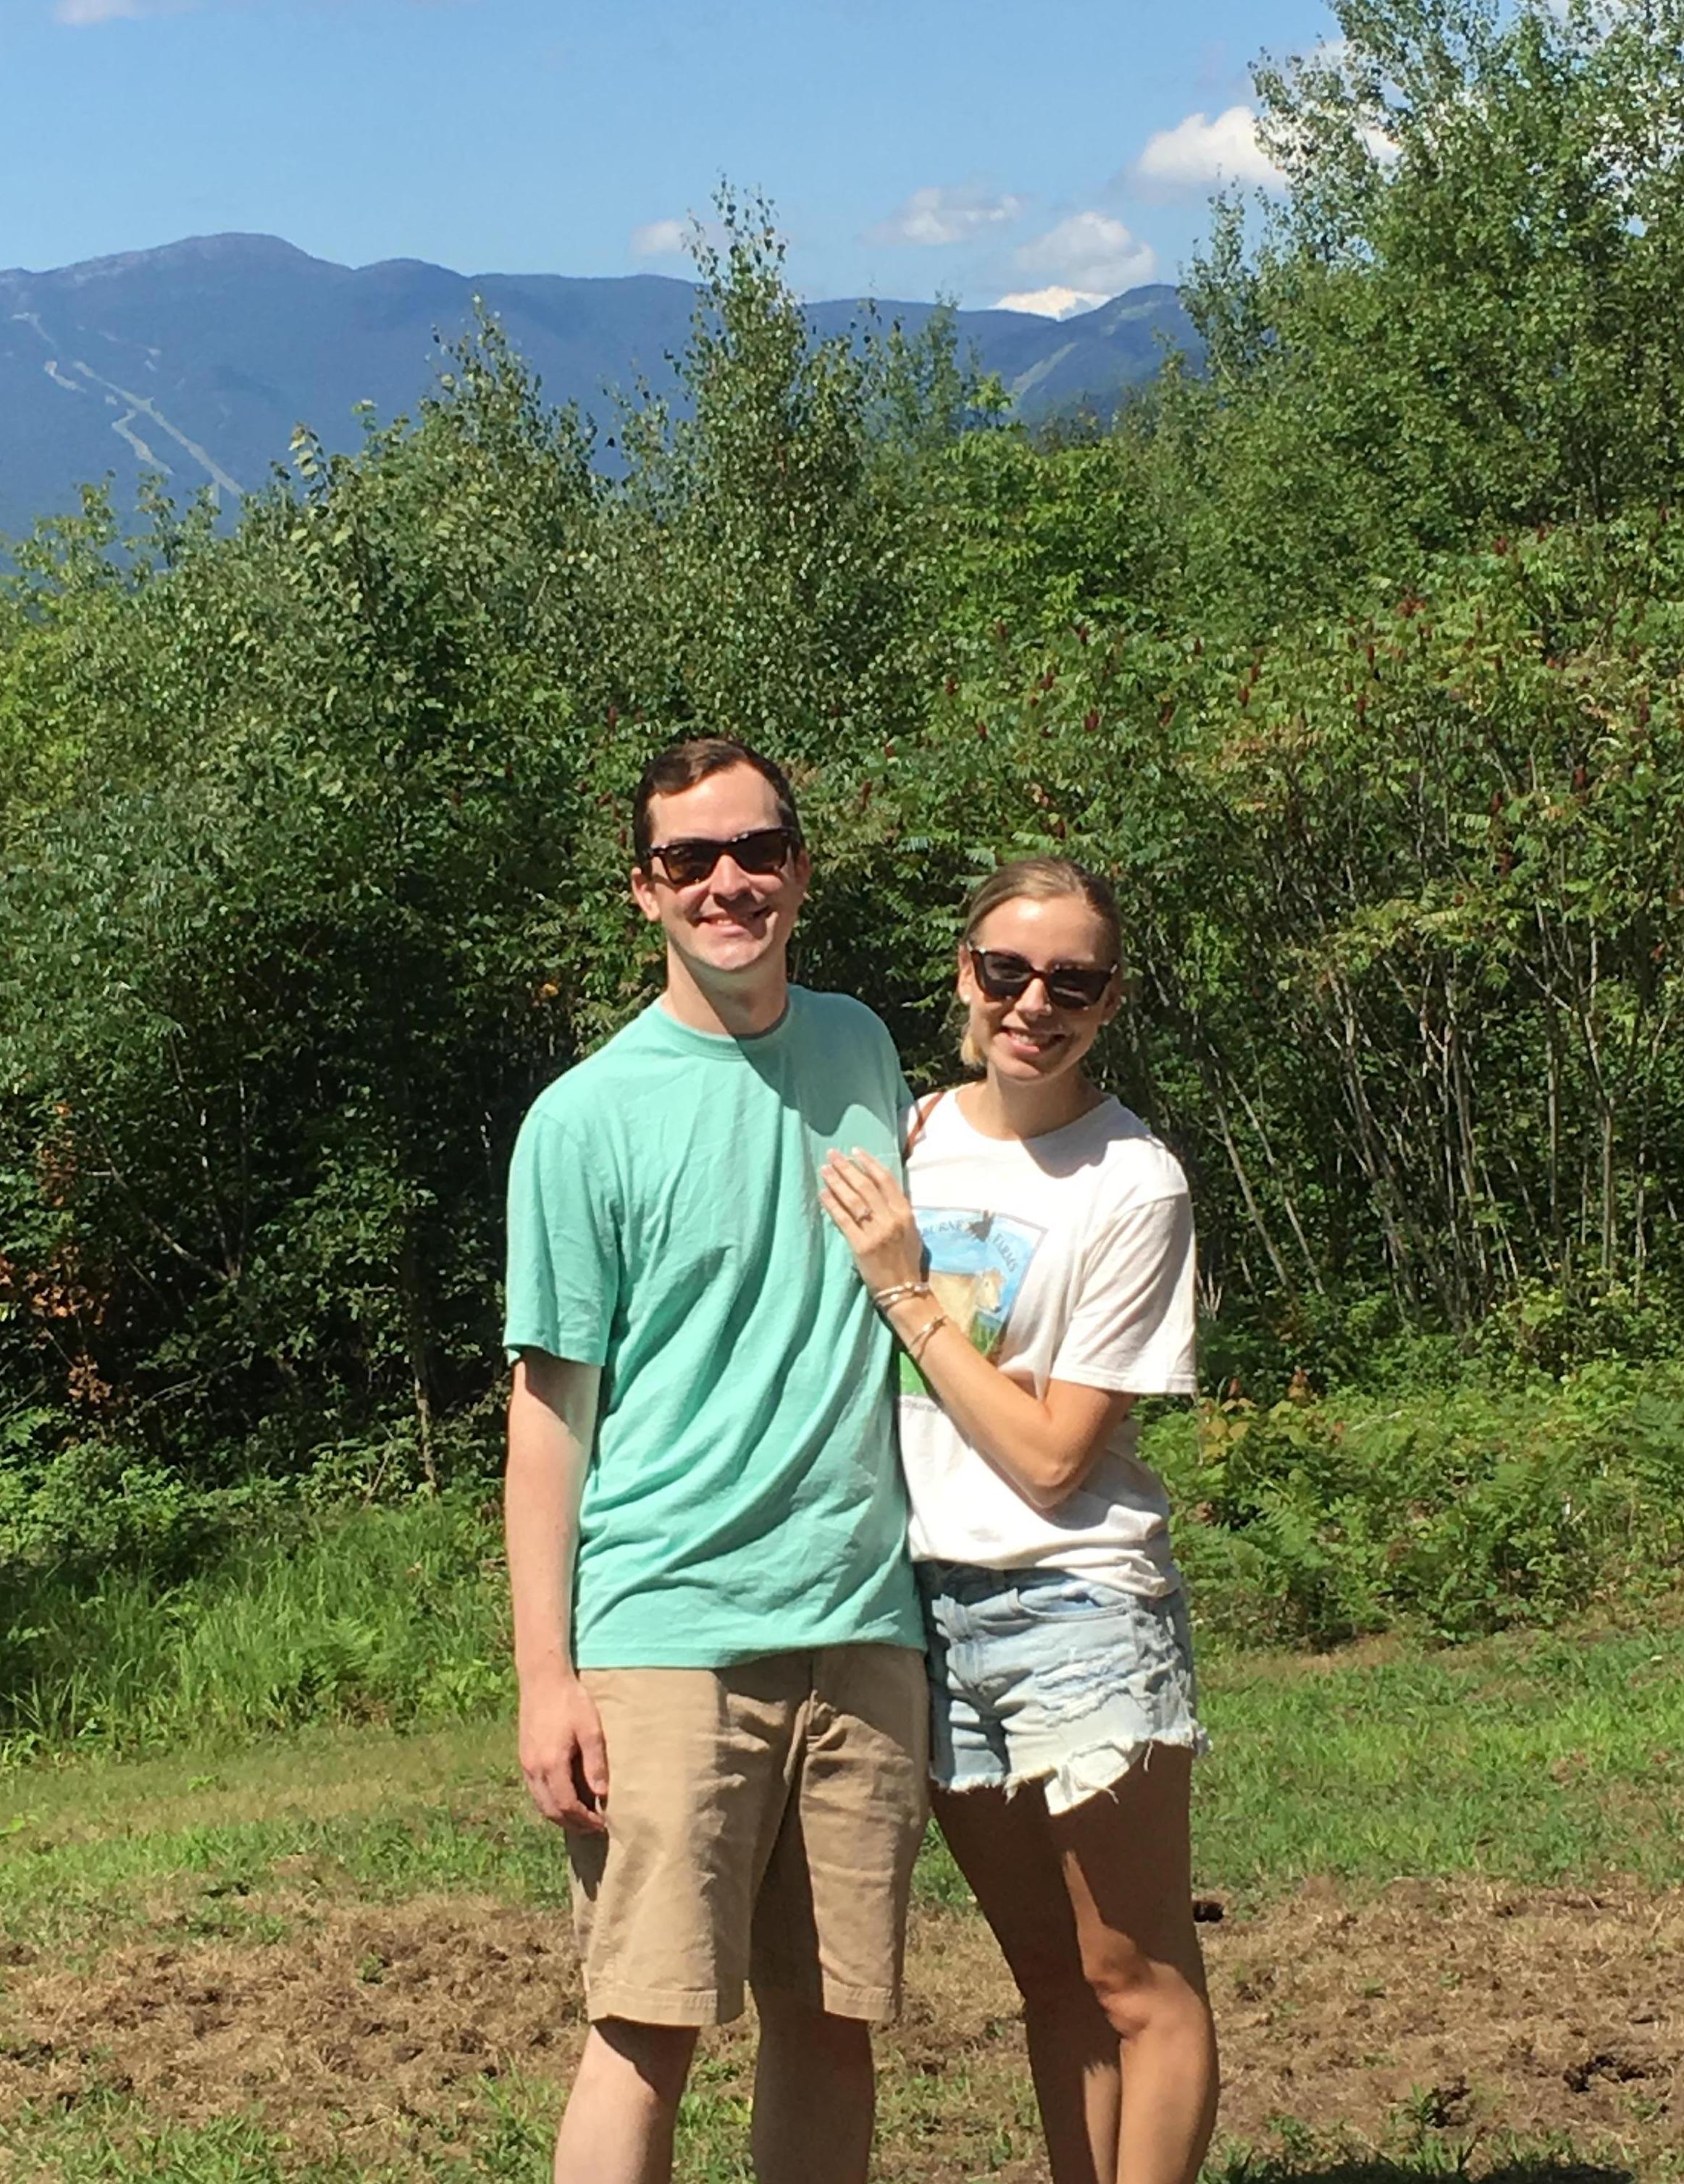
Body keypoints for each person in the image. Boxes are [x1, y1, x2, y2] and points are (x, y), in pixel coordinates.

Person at [501, 735, 929, 2184]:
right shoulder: (582, 1119)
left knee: (828, 2023)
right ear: (643, 890)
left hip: (862, 1625)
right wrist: (545, 1676)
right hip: (668, 1636)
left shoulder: (864, 1046)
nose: (727, 882)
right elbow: (549, 1414)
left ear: (800, 868)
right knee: (644, 2025)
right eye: (690, 859)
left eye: (755, 850)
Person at [818, 854, 1219, 2184]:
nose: (1034, 1003)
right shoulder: (911, 1136)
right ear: (964, 977)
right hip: (921, 1605)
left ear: (1110, 1003)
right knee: (1048, 1981)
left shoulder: (1131, 1182)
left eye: (1073, 981)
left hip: (1076, 1603)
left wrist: (907, 1294)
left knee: (1135, 1978)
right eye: (1008, 972)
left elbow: (1055, 1457)